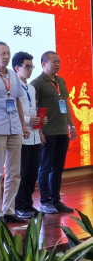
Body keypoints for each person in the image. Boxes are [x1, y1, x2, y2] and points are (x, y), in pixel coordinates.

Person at [0, 42, 31, 225]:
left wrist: (23, 125)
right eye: (2, 53)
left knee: (14, 173)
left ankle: (9, 210)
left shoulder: (12, 75)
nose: (6, 57)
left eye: (8, 53)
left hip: (15, 128)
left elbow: (17, 101)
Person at [31, 51, 77, 214]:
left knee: (58, 167)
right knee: (45, 167)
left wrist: (72, 126)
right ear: (44, 64)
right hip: (47, 132)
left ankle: (56, 200)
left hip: (62, 131)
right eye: (54, 62)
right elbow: (34, 109)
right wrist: (39, 131)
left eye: (59, 61)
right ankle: (45, 202)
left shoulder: (61, 81)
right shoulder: (37, 83)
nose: (57, 64)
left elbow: (66, 105)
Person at [14, 52, 48, 218]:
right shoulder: (13, 87)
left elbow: (33, 110)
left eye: (31, 66)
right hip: (21, 136)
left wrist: (40, 123)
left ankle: (28, 204)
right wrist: (29, 120)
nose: (30, 70)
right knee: (22, 174)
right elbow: (12, 111)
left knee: (33, 173)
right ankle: (18, 206)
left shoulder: (31, 88)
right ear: (17, 68)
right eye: (27, 66)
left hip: (34, 135)